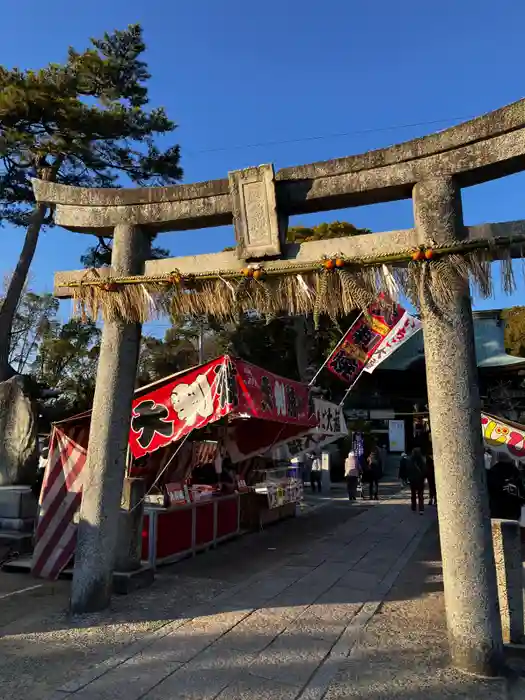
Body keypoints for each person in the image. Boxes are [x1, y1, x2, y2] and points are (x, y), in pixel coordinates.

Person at [486, 451, 525, 521]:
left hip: (495, 512)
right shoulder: (516, 473)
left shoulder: (492, 472)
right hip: (513, 514)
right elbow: (522, 495)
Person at [407, 447, 427, 514]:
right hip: (420, 480)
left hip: (412, 480)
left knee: (413, 494)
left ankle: (413, 507)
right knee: (420, 495)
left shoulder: (410, 461)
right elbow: (424, 470)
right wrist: (424, 478)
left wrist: (408, 478)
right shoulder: (422, 461)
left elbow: (408, 470)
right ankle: (421, 509)